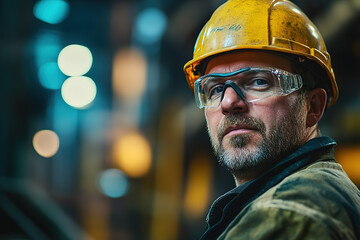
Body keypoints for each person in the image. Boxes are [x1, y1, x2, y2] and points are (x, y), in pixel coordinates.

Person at [183, 0, 360, 239]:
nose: (228, 103)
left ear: (313, 106)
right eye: (215, 89)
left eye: (258, 82)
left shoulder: (290, 212)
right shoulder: (322, 195)